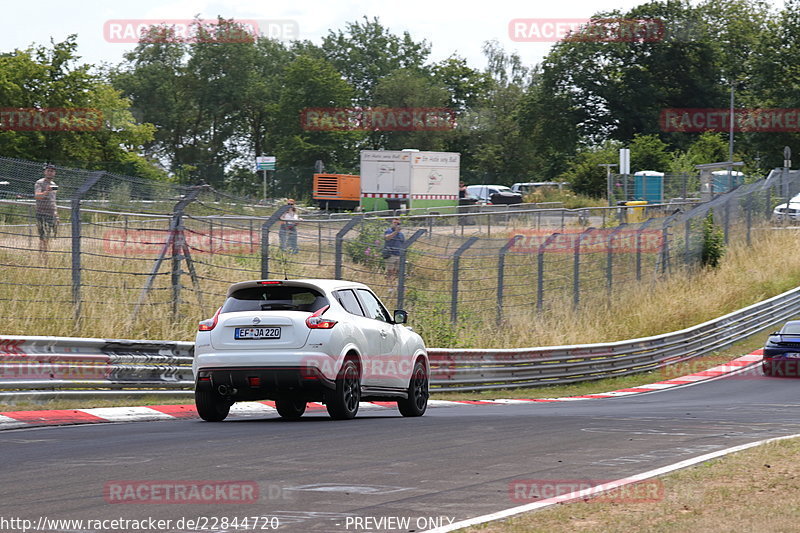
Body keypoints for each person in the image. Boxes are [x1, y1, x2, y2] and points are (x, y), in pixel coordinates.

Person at [34, 163, 59, 252]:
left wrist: (56, 213)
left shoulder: (54, 185)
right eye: (48, 171)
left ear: (54, 173)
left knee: (49, 236)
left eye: (52, 171)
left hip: (51, 213)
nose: (50, 173)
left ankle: (46, 254)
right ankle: (42, 256)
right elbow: (37, 196)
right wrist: (46, 192)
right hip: (41, 212)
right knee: (42, 237)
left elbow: (53, 200)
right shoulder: (40, 183)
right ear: (45, 172)